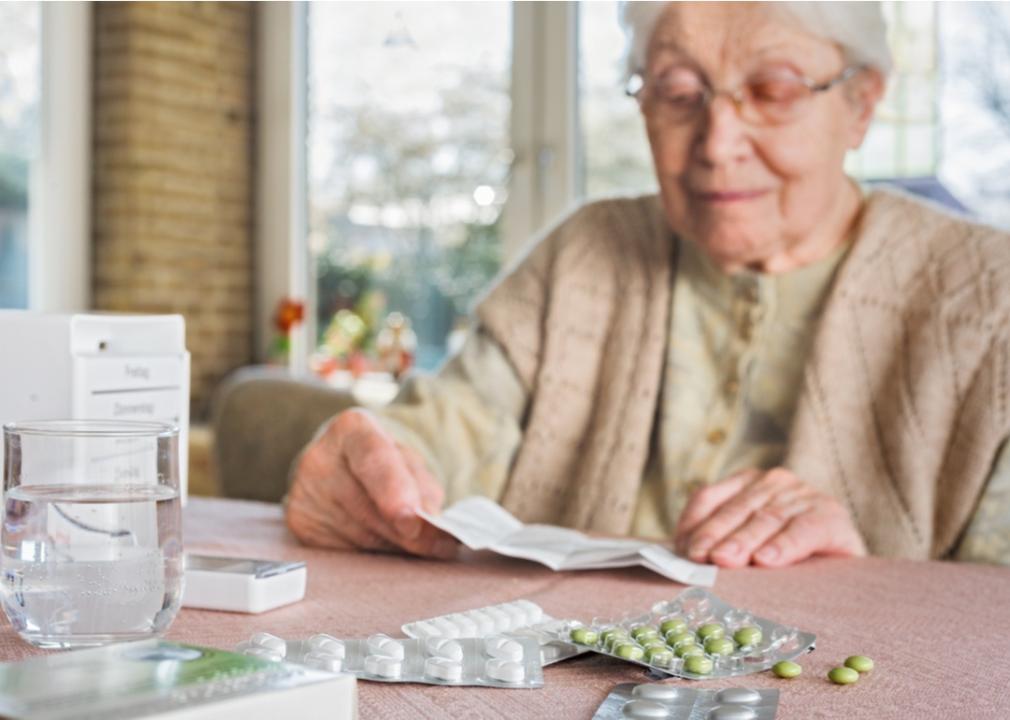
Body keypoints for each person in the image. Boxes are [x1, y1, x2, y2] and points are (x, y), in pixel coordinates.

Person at [285, 1, 1010, 568]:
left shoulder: (991, 297)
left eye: (773, 89)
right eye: (678, 91)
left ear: (861, 103)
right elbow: (445, 429)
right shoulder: (583, 254)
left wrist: (873, 578)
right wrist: (370, 469)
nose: (718, 144)